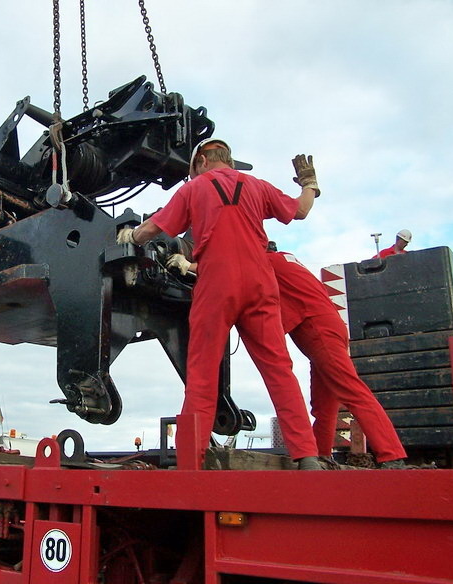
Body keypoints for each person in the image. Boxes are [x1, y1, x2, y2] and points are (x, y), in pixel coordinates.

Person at [117, 138, 323, 469]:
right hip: (260, 283)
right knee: (279, 370)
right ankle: (307, 455)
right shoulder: (256, 185)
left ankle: (191, 460)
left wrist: (130, 237)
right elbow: (300, 210)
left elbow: (154, 227)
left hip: (216, 284)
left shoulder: (194, 188)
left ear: (201, 161)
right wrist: (309, 185)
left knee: (201, 374)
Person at [265, 245, 409, 468]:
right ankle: (322, 455)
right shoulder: (286, 259)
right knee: (325, 404)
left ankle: (392, 455)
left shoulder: (268, 264)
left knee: (352, 390)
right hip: (330, 326)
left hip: (317, 330)